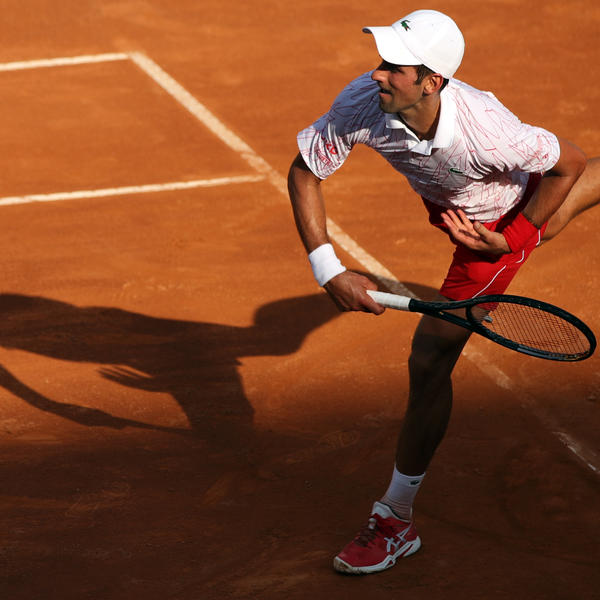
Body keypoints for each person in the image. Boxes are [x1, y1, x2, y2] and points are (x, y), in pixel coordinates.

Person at [287, 9, 599, 575]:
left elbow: (569, 162)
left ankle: (395, 519)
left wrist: (510, 240)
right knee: (554, 220)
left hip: (493, 230)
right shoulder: (363, 102)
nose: (377, 74)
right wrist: (328, 269)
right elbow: (306, 170)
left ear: (432, 81)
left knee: (429, 361)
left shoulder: (488, 132)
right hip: (456, 205)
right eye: (382, 61)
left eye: (394, 68)